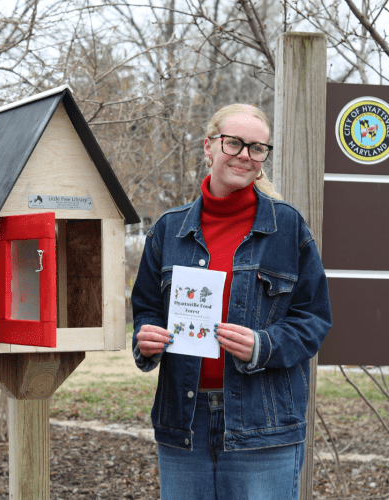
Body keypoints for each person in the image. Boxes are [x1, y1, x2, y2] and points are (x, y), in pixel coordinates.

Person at [131, 103, 331, 499]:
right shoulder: (169, 230)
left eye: (257, 148)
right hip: (184, 423)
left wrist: (264, 345)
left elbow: (314, 321)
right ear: (209, 147)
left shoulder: (287, 227)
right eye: (234, 143)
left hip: (263, 423)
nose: (245, 154)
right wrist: (145, 339)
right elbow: (147, 309)